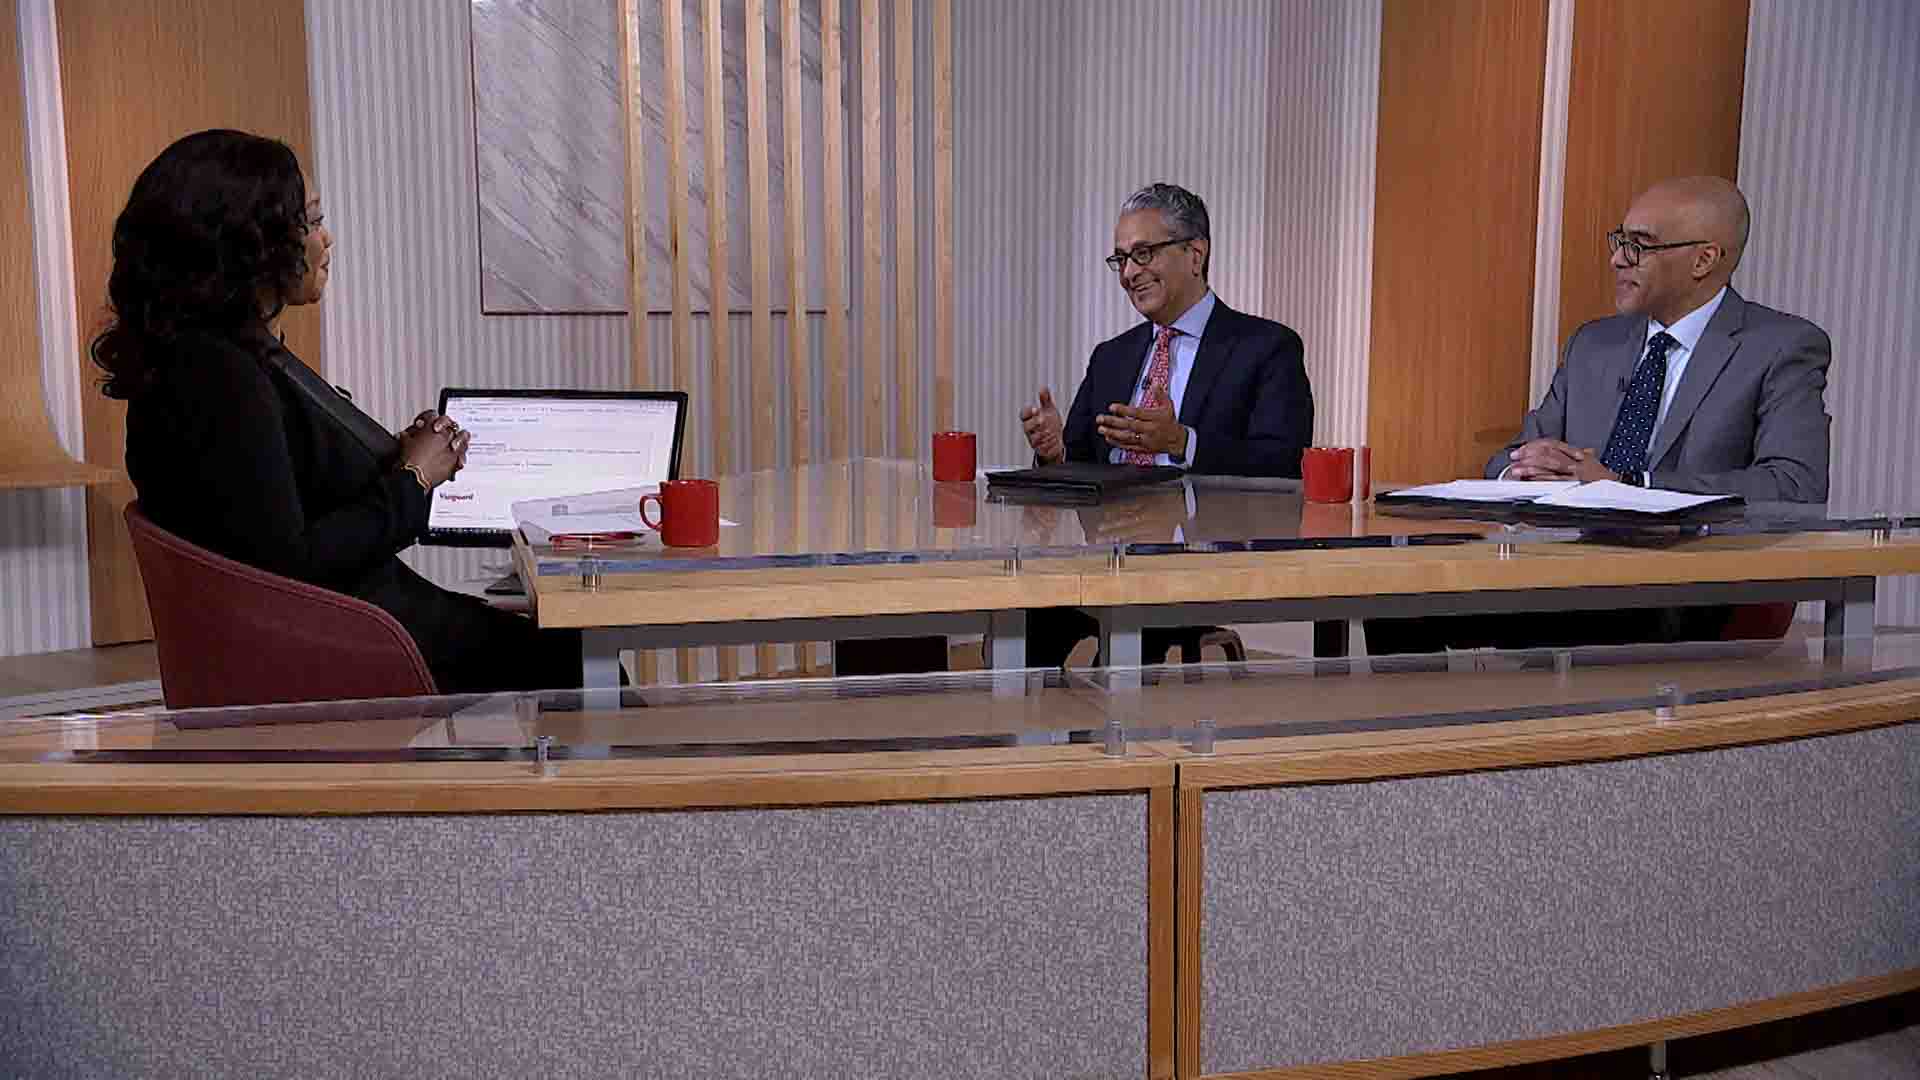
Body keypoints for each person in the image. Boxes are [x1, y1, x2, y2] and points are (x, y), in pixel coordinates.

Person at [96, 129, 583, 695]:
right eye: (311, 220)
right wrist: (413, 478)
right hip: (352, 646)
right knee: (581, 664)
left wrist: (398, 456)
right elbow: (288, 566)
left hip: (351, 630)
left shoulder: (220, 358)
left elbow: (280, 496)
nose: (325, 240)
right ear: (250, 243)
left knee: (563, 647)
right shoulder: (218, 379)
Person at [1367, 175, 1833, 656]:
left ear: (1704, 259)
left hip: (1683, 579)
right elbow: (1509, 459)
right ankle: (1432, 732)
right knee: (1395, 591)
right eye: (1620, 241)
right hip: (1563, 564)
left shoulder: (1781, 346)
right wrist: (1522, 465)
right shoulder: (1593, 343)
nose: (1617, 259)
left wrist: (1631, 484)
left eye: (1641, 246)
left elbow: (1794, 487)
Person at [1016, 182, 1315, 666]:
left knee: (1134, 625)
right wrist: (1055, 455)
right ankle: (1035, 737)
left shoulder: (1266, 348)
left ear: (1195, 254)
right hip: (1102, 556)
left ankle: (1110, 738)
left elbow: (1283, 463)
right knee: (1022, 616)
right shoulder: (1112, 356)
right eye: (1121, 259)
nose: (1130, 273)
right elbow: (1083, 465)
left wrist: (1183, 442)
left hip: (1196, 561)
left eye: (1144, 254)